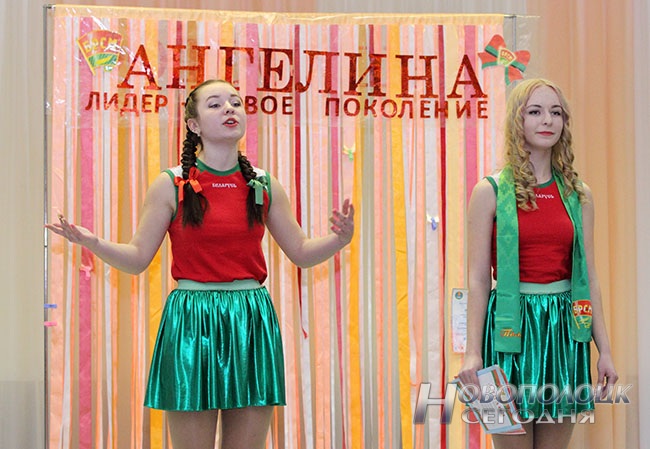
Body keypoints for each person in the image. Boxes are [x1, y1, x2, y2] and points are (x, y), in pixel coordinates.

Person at [46, 79, 355, 449]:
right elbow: (137, 259)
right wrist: (92, 242)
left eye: (235, 102)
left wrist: (339, 240)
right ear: (194, 125)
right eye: (215, 104)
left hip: (250, 320)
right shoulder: (170, 183)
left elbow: (301, 252)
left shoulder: (264, 184)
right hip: (192, 321)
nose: (229, 109)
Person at [457, 78, 617, 449]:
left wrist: (605, 351)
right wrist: (472, 353)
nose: (547, 120)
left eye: (556, 112)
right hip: (505, 337)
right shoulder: (489, 191)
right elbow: (478, 279)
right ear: (518, 121)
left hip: (563, 335)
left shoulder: (579, 194)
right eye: (535, 111)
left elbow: (589, 277)